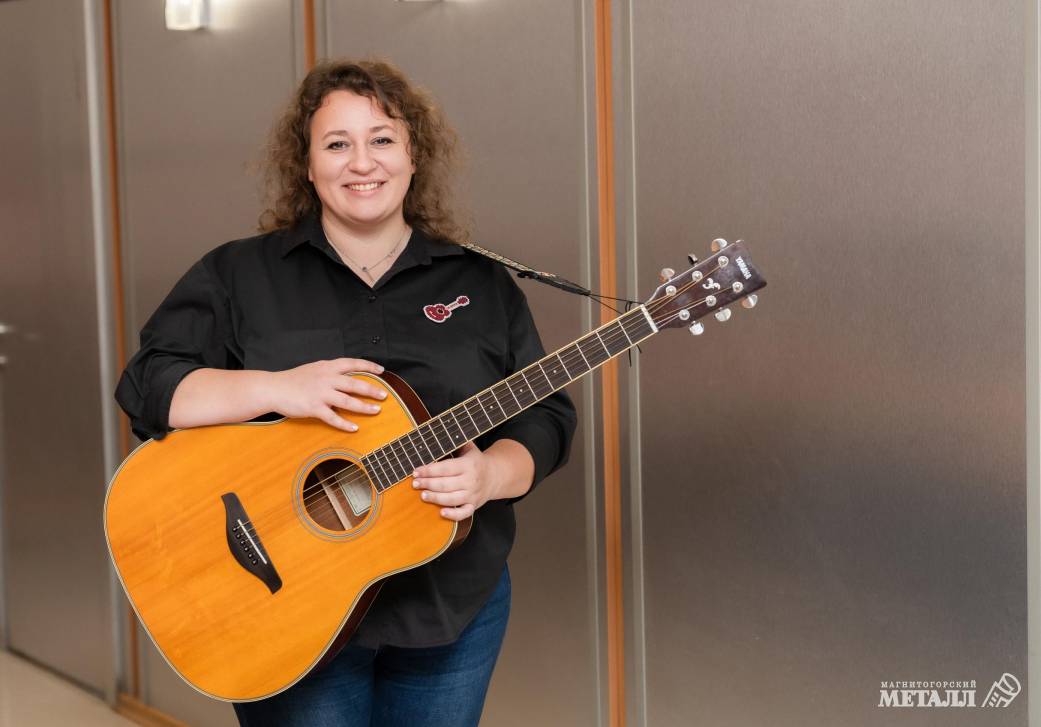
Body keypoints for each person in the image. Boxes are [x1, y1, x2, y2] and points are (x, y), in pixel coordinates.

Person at [114, 59, 577, 726]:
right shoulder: (240, 274)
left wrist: (491, 472)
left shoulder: (481, 283)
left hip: (450, 605)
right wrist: (278, 387)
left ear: (414, 156)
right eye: (336, 143)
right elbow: (150, 386)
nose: (362, 162)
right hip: (277, 597)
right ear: (305, 165)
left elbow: (546, 413)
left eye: (382, 139)